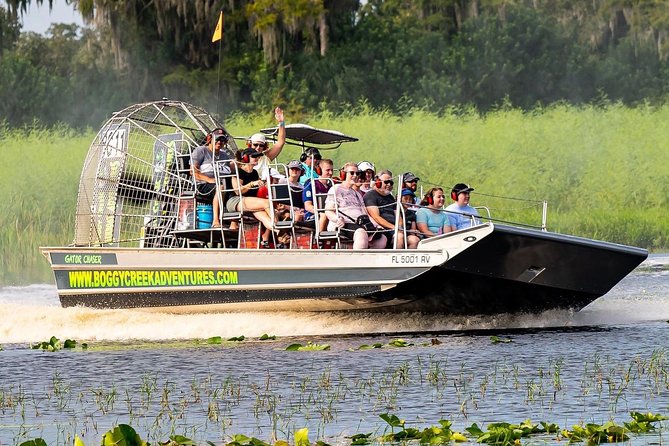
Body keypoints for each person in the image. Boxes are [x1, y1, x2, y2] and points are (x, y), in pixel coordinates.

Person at [325, 162, 387, 249]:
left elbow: (365, 213)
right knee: (361, 233)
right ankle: (358, 261)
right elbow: (328, 211)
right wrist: (337, 219)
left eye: (357, 173)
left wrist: (376, 225)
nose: (355, 175)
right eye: (352, 173)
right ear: (343, 174)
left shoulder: (356, 193)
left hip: (360, 224)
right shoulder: (336, 189)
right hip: (343, 224)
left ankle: (371, 261)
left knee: (382, 238)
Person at [228, 148, 277, 248]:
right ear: (245, 158)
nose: (257, 158)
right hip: (236, 201)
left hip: (250, 201)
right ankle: (278, 229)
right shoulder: (238, 172)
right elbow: (238, 191)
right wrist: (251, 184)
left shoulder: (255, 173)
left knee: (265, 217)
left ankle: (278, 231)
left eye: (258, 156)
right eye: (254, 156)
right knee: (267, 203)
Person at [364, 170, 419, 249]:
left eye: (391, 183)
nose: (389, 184)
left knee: (414, 240)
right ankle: (397, 259)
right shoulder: (370, 195)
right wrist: (394, 227)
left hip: (396, 229)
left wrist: (399, 227)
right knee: (399, 236)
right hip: (383, 229)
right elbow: (376, 217)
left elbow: (398, 215)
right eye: (386, 182)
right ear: (378, 182)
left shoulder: (390, 197)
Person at [191, 128, 234, 228]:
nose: (219, 142)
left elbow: (232, 169)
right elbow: (193, 171)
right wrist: (209, 180)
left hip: (222, 184)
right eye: (217, 139)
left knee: (237, 189)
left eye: (222, 140)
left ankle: (234, 223)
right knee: (221, 187)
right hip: (203, 185)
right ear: (210, 139)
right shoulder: (201, 151)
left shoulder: (224, 155)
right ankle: (215, 221)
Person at [249, 107, 286, 179]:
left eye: (261, 145)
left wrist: (281, 123)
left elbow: (280, 142)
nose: (258, 147)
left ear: (264, 146)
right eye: (255, 144)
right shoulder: (244, 157)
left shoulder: (266, 156)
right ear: (250, 144)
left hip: (266, 185)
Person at [303, 158, 334, 232]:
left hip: (329, 215)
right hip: (313, 216)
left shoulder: (332, 186)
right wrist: (321, 212)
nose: (330, 173)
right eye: (327, 170)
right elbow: (308, 206)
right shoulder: (311, 183)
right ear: (319, 171)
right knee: (324, 214)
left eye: (332, 170)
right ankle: (319, 238)